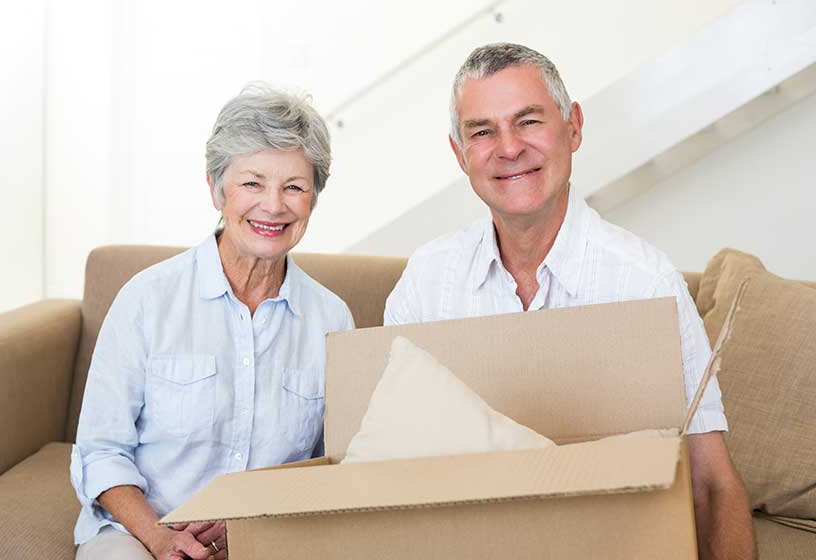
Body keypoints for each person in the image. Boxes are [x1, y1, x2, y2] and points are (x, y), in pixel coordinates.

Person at [384, 43, 756, 559]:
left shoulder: (644, 283)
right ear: (459, 153)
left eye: (528, 121)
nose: (509, 148)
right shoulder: (426, 284)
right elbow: (390, 479)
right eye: (482, 131)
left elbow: (711, 483)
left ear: (574, 127)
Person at [70, 83, 354, 560]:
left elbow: (336, 465)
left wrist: (257, 525)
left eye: (294, 187)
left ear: (314, 199)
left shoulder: (332, 318)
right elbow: (101, 452)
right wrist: (161, 538)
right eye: (252, 183)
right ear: (215, 188)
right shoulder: (147, 299)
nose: (273, 205)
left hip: (271, 537)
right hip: (139, 531)